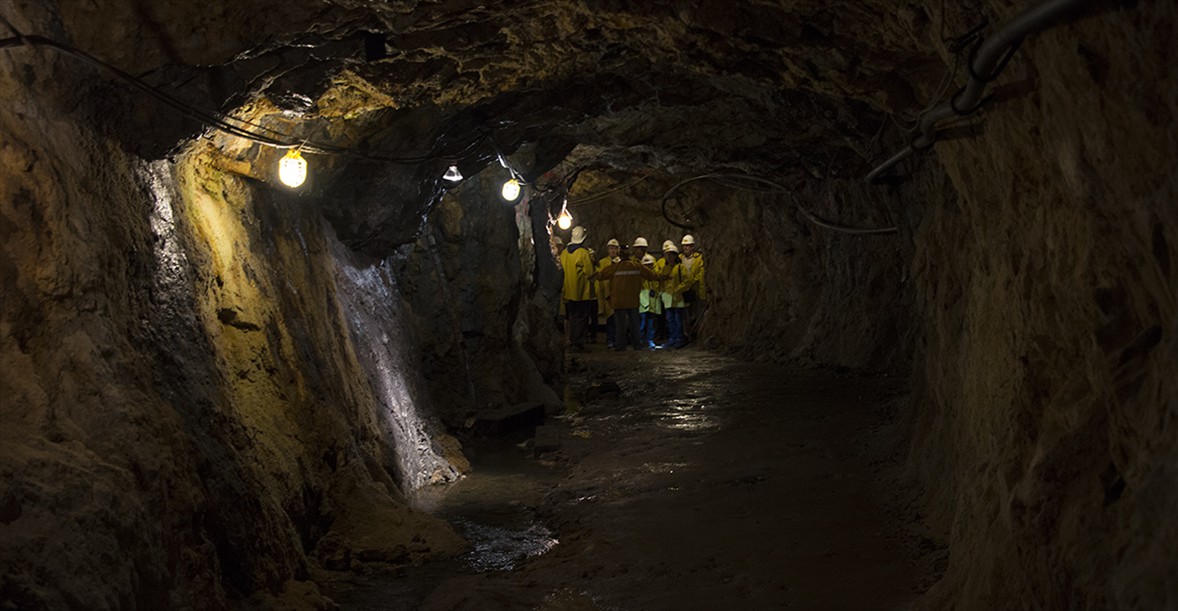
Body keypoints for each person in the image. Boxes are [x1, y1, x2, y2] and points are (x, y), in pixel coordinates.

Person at [598, 245, 666, 351]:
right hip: (633, 300)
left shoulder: (614, 267)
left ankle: (620, 346)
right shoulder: (636, 266)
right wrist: (666, 275)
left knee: (620, 326)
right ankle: (636, 345)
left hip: (619, 301)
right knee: (635, 325)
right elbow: (652, 275)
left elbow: (600, 275)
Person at [559, 226, 595, 352]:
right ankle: (577, 343)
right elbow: (590, 272)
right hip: (581, 292)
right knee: (582, 318)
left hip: (568, 292)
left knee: (572, 317)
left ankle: (571, 340)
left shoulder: (564, 253)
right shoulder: (583, 253)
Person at [659, 242, 691, 349]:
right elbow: (662, 283)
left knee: (678, 320)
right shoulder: (665, 269)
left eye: (671, 255)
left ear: (675, 255)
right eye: (667, 255)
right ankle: (672, 338)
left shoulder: (680, 267)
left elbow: (687, 281)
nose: (669, 257)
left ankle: (679, 338)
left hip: (678, 299)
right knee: (670, 320)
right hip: (668, 299)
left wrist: (677, 290)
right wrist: (662, 294)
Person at [680, 234, 706, 344]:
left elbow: (700, 274)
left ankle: (697, 335)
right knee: (685, 315)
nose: (686, 248)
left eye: (688, 245)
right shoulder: (680, 258)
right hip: (683, 291)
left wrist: (691, 283)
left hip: (695, 290)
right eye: (684, 246)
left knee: (697, 313)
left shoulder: (698, 259)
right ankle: (687, 335)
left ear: (693, 247)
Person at [596, 238, 621, 349]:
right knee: (610, 319)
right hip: (607, 295)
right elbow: (600, 281)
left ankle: (618, 339)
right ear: (607, 250)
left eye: (615, 248)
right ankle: (611, 339)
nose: (613, 251)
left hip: (618, 295)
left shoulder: (621, 263)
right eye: (611, 248)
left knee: (618, 319)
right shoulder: (602, 263)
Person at [639, 254, 664, 349]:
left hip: (652, 303)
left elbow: (658, 288)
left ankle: (650, 339)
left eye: (650, 265)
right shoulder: (640, 277)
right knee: (642, 324)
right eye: (646, 265)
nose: (648, 267)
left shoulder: (654, 276)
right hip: (642, 303)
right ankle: (640, 340)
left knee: (651, 324)